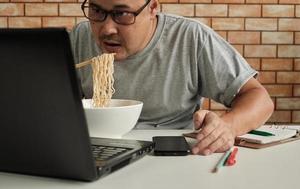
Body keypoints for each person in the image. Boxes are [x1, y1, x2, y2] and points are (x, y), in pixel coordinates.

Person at [69, 0, 274, 155]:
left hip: (173, 152)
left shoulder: (190, 37)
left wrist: (227, 126)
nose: (106, 29)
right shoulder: (80, 36)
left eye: (122, 14)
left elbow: (259, 98)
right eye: (96, 11)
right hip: (100, 149)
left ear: (152, 9)